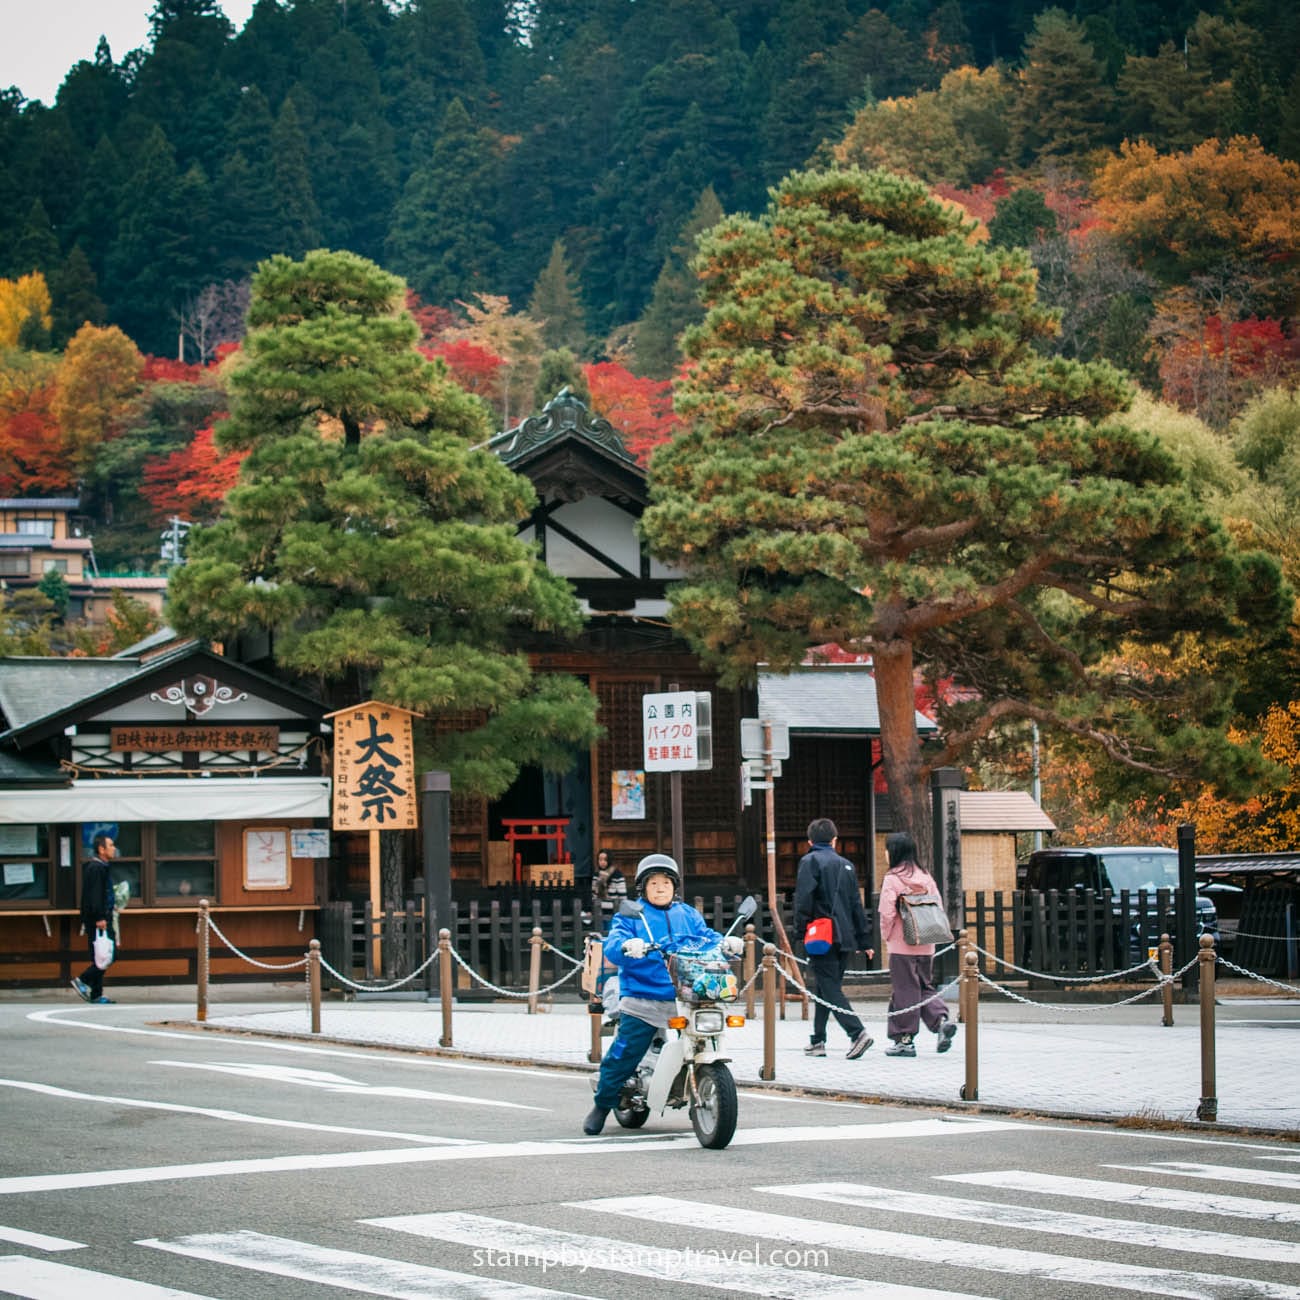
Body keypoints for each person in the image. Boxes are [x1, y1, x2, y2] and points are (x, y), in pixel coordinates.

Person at [583, 852, 743, 1135]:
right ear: (643, 887)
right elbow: (613, 944)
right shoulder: (632, 915)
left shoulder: (687, 914)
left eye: (666, 883)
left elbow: (705, 937)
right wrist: (626, 945)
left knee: (706, 1038)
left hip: (687, 995)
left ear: (674, 887)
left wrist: (726, 942)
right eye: (653, 883)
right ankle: (602, 1105)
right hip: (643, 995)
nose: (660, 888)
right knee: (626, 1052)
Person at [792, 817, 875, 1059]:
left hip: (822, 936)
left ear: (810, 841)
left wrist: (799, 931)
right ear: (834, 840)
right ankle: (817, 1040)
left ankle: (857, 1033)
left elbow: (804, 901)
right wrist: (865, 940)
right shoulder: (847, 866)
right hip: (845, 936)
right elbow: (856, 905)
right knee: (825, 987)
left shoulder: (809, 862)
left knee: (829, 988)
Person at [877, 830, 957, 1057]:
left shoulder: (893, 879)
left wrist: (887, 936)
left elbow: (886, 913)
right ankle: (941, 1022)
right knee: (924, 986)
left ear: (893, 852)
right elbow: (938, 908)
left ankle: (904, 1039)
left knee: (905, 990)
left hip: (902, 945)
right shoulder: (926, 877)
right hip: (926, 942)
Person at [71, 833, 118, 1005]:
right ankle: (83, 980)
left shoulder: (100, 866)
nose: (114, 849)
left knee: (100, 955)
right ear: (101, 849)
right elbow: (95, 896)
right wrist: (100, 916)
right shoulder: (96, 868)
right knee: (109, 955)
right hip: (99, 919)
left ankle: (96, 994)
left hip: (101, 916)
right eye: (111, 845)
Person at [591, 849, 627, 926]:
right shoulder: (596, 875)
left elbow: (623, 896)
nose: (602, 862)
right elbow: (593, 893)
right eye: (600, 860)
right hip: (599, 910)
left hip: (613, 911)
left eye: (605, 860)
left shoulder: (617, 875)